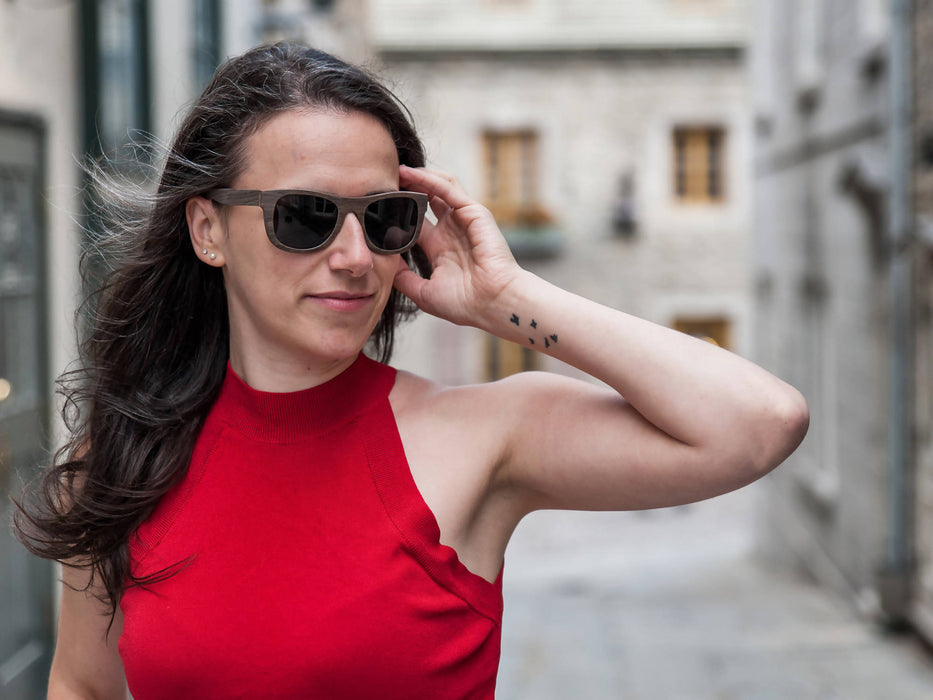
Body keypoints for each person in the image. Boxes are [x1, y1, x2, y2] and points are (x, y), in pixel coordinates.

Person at [15, 42, 808, 699]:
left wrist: (506, 297)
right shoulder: (123, 460)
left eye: (384, 218)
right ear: (207, 229)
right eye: (305, 216)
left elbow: (757, 423)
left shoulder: (482, 437)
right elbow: (81, 684)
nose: (355, 258)